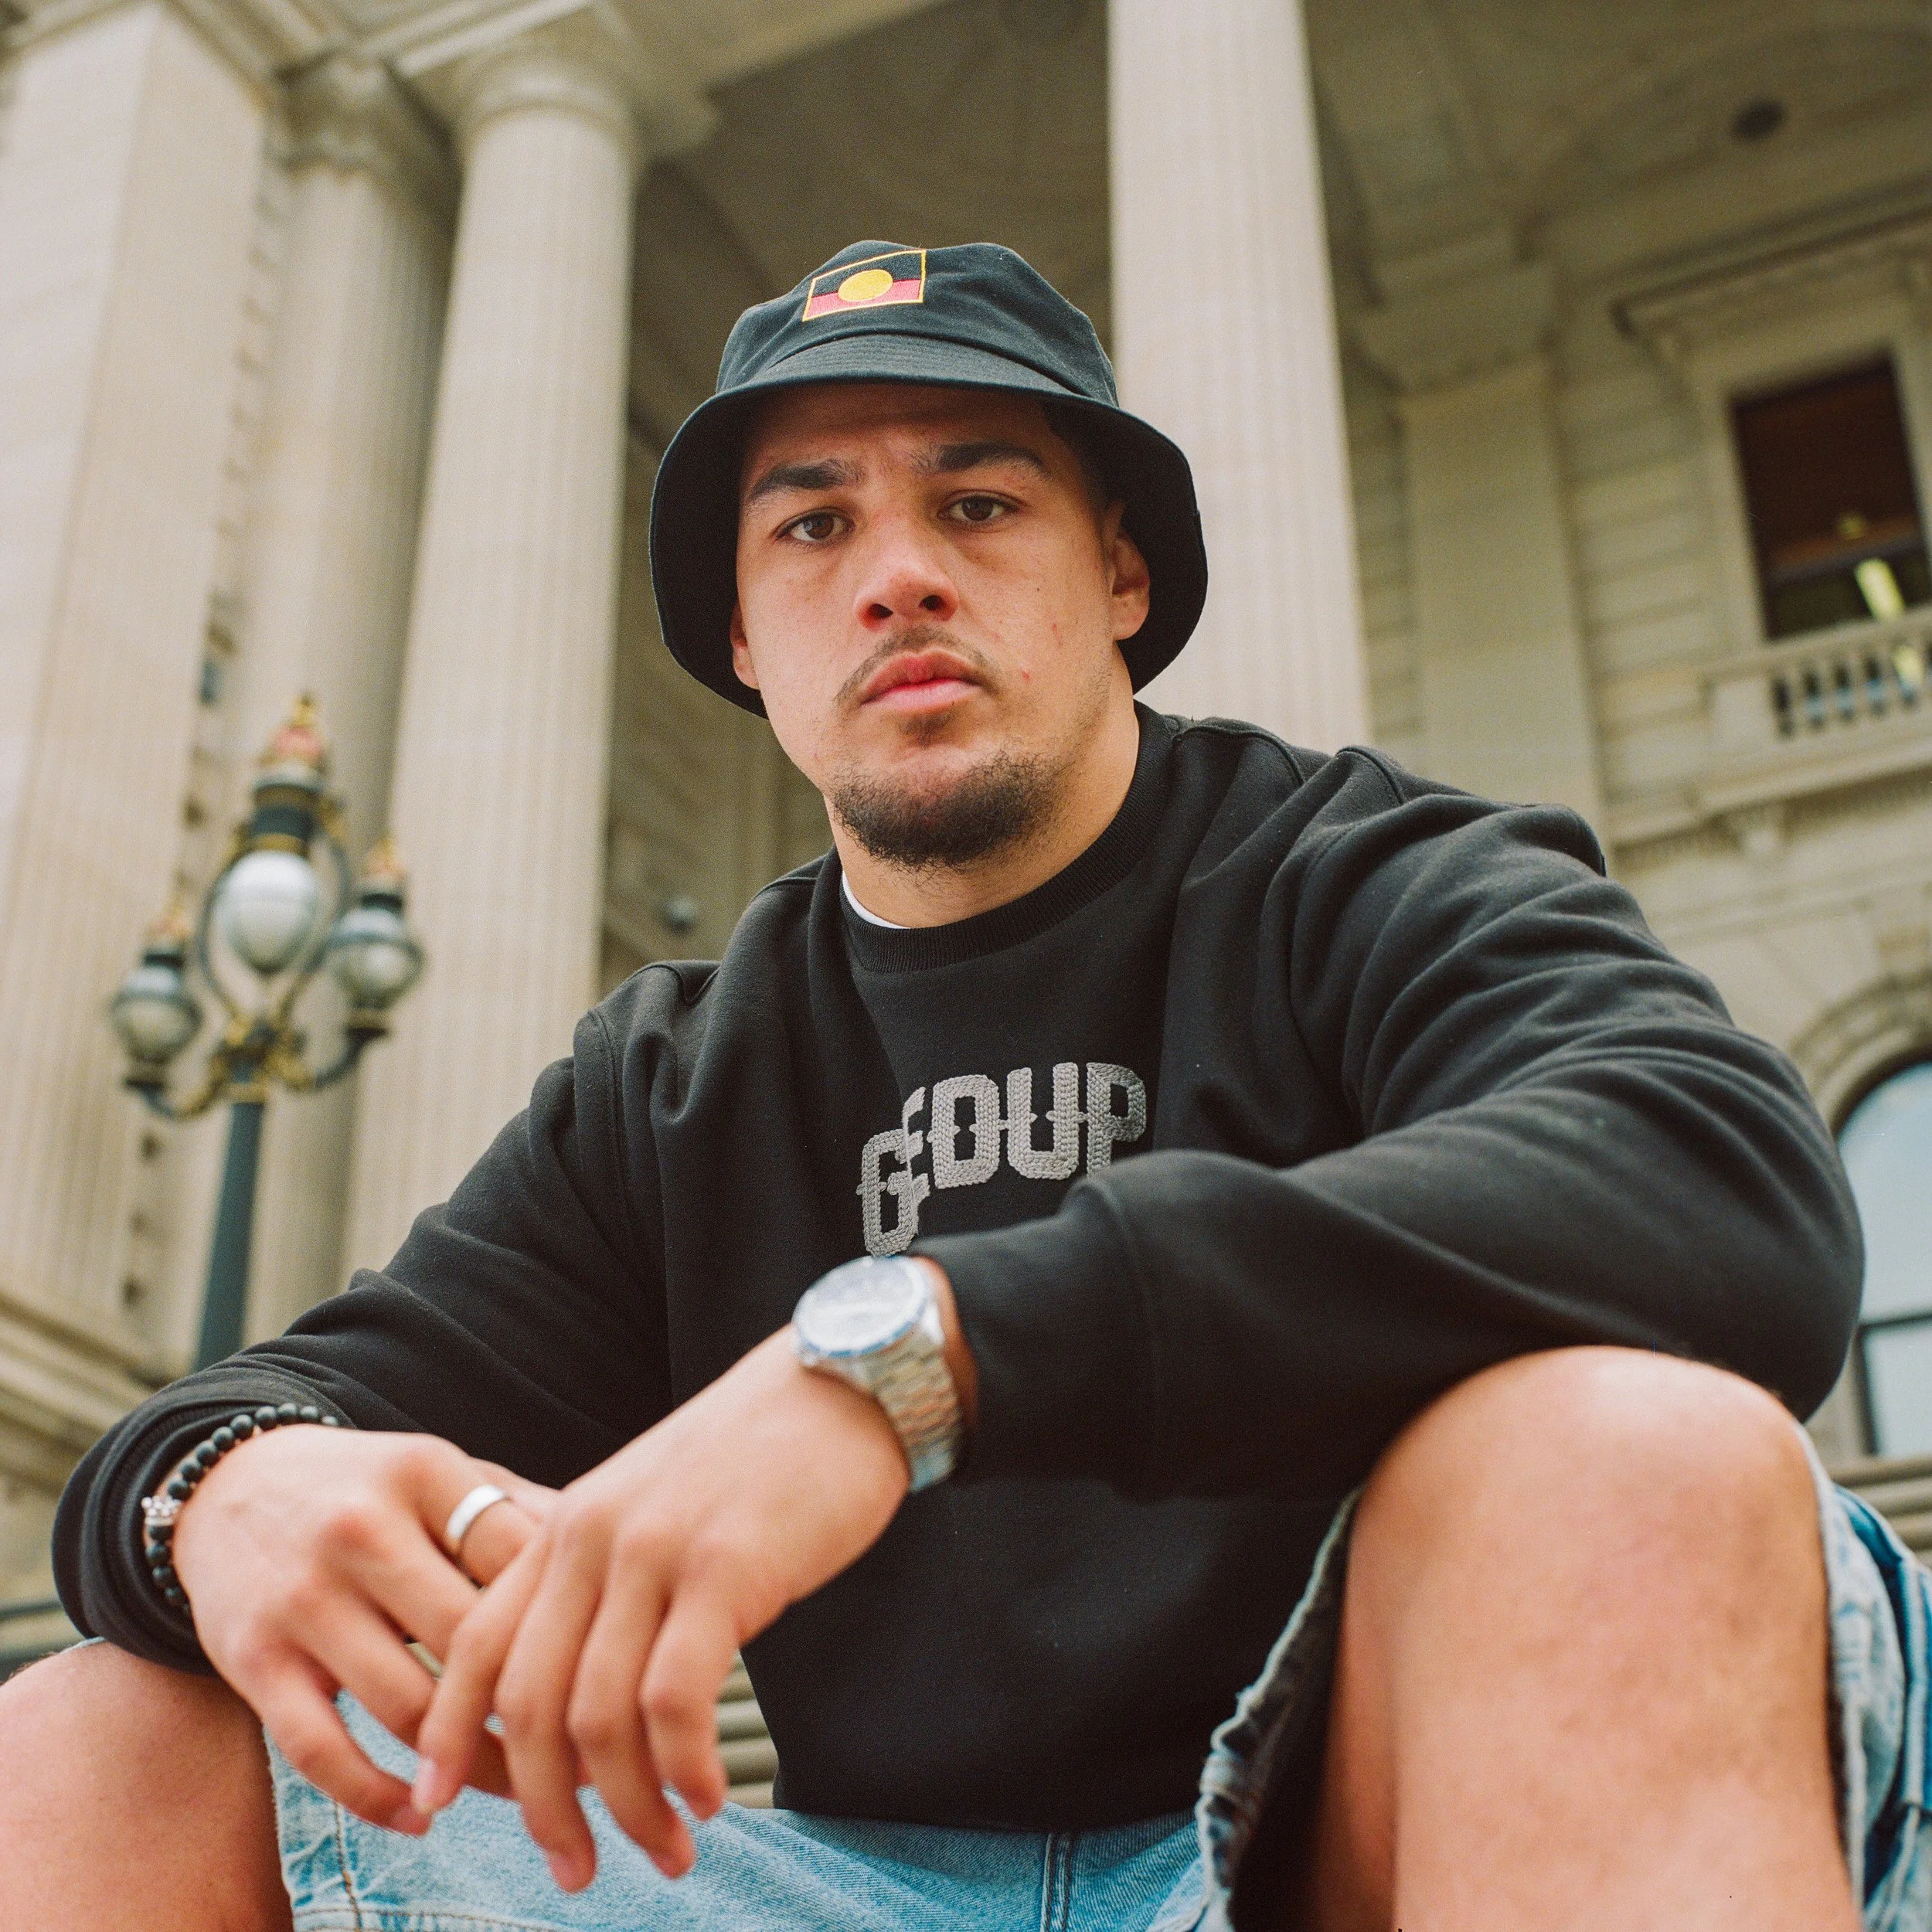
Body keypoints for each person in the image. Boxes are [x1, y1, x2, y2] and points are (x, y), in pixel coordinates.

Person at [0, 238, 1908, 1932]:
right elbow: (273, 1401)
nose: (897, 574)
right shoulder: (671, 1074)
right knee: (94, 1728)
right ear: (743, 643)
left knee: (1621, 1460)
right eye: (812, 525)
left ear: (1120, 572)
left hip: (1341, 1823)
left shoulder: (1362, 875)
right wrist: (214, 1489)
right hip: (848, 1882)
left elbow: (1721, 1181)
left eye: (980, 504)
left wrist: (912, 1359)